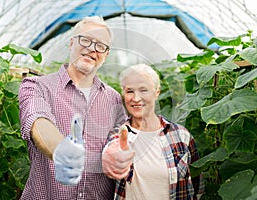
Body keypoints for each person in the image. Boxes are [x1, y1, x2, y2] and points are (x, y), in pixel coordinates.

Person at [18, 16, 127, 199]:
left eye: (100, 45)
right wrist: (60, 150)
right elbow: (37, 120)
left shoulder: (113, 98)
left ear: (106, 55)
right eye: (85, 40)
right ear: (71, 42)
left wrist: (117, 152)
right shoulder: (37, 86)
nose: (92, 48)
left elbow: (117, 139)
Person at [102, 63, 204, 199]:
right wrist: (114, 155)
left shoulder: (181, 135)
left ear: (157, 92)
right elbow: (111, 152)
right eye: (130, 91)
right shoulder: (117, 136)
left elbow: (197, 185)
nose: (136, 98)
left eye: (143, 90)